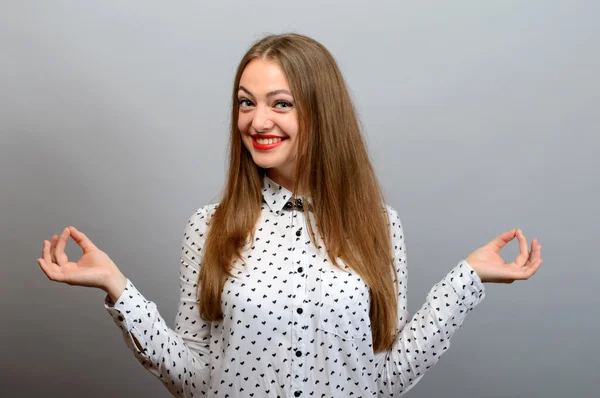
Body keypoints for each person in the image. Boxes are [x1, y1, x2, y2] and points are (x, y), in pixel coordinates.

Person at [37, 33, 543, 397]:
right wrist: (117, 287)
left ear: (322, 114)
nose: (258, 121)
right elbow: (191, 378)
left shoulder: (379, 224)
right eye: (245, 103)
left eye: (281, 104)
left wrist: (466, 280)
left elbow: (387, 377)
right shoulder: (209, 226)